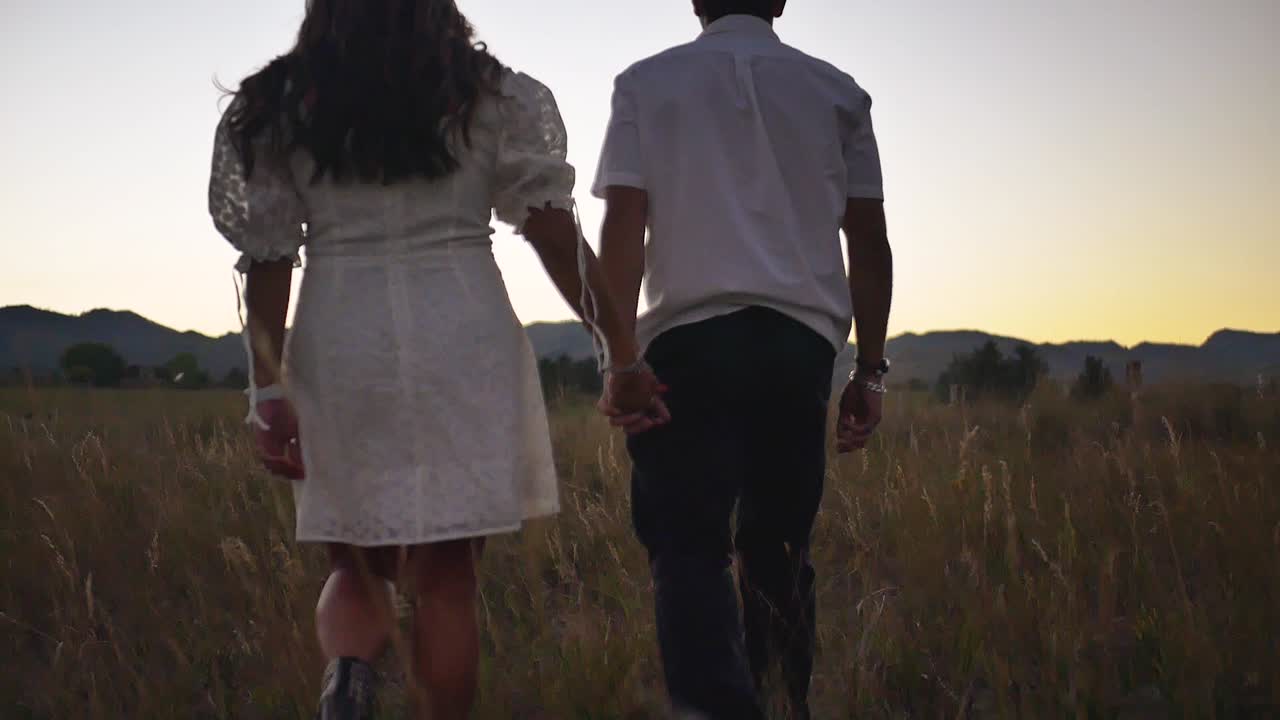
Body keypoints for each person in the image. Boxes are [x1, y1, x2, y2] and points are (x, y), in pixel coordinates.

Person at [207, 1, 665, 718]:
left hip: (340, 333)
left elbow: (267, 257)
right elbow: (550, 228)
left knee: (357, 559)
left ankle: (350, 673)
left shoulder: (279, 103)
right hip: (462, 330)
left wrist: (268, 389)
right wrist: (619, 347)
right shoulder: (492, 95)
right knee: (448, 579)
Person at [594, 0, 894, 717]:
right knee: (780, 543)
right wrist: (869, 370)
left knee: (688, 545)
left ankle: (715, 706)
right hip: (798, 349)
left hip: (688, 346)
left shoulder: (646, 84)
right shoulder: (837, 93)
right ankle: (782, 700)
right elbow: (871, 243)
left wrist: (619, 358)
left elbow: (624, 229)